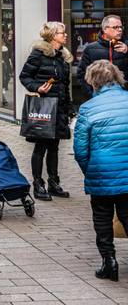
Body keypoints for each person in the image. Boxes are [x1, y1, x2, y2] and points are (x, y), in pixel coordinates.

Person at [74, 60, 128, 282]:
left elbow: (80, 150)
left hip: (101, 172)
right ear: (116, 77)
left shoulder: (87, 109)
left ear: (92, 82)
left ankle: (109, 262)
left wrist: (91, 170)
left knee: (103, 218)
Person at [19, 22, 73, 201]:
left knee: (55, 147)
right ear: (52, 36)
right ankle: (37, 183)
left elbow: (65, 85)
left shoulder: (63, 57)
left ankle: (53, 182)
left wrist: (69, 106)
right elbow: (24, 76)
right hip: (43, 107)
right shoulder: (39, 54)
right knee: (40, 146)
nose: (65, 35)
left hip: (59, 108)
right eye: (61, 33)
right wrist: (37, 88)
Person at [77, 15, 128, 99]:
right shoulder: (91, 49)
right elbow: (82, 74)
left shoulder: (126, 45)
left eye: (121, 27)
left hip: (124, 96)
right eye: (115, 27)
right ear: (105, 29)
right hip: (99, 96)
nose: (120, 30)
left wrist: (127, 51)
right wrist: (91, 95)